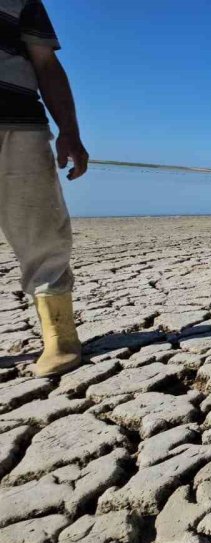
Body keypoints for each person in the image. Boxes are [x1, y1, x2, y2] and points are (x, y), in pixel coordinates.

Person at [1, 0, 88, 376]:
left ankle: (59, 334)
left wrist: (69, 130)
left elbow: (46, 63)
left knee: (41, 230)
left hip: (17, 122)